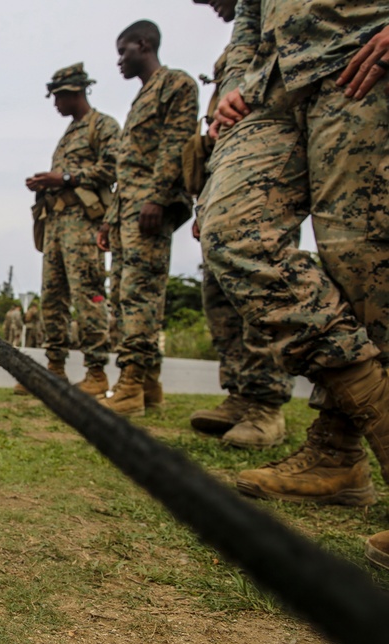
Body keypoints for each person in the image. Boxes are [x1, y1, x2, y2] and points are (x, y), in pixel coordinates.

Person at [198, 0, 389, 565]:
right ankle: (338, 454)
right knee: (233, 233)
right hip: (271, 88)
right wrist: (233, 79)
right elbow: (249, 16)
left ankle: (338, 449)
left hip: (360, 55)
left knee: (363, 261)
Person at [186, 0, 294, 449]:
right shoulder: (236, 47)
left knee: (258, 275)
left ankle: (267, 404)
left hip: (272, 156)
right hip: (229, 167)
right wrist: (205, 202)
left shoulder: (283, 23)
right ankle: (241, 392)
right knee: (220, 290)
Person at [96, 20, 199, 417]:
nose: (120, 61)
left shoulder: (176, 84)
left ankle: (132, 383)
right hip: (127, 211)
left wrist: (157, 198)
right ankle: (149, 385)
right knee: (123, 295)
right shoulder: (140, 99)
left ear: (144, 44)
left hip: (148, 211)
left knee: (140, 296)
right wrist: (108, 219)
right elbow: (128, 168)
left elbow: (176, 144)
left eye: (124, 51)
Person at [26, 63, 118, 398]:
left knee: (88, 295)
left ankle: (96, 372)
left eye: (58, 97)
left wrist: (62, 178)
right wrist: (44, 184)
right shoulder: (68, 134)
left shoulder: (103, 126)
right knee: (52, 298)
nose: (55, 104)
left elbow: (112, 168)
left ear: (74, 92)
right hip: (56, 225)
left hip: (85, 225)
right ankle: (55, 369)